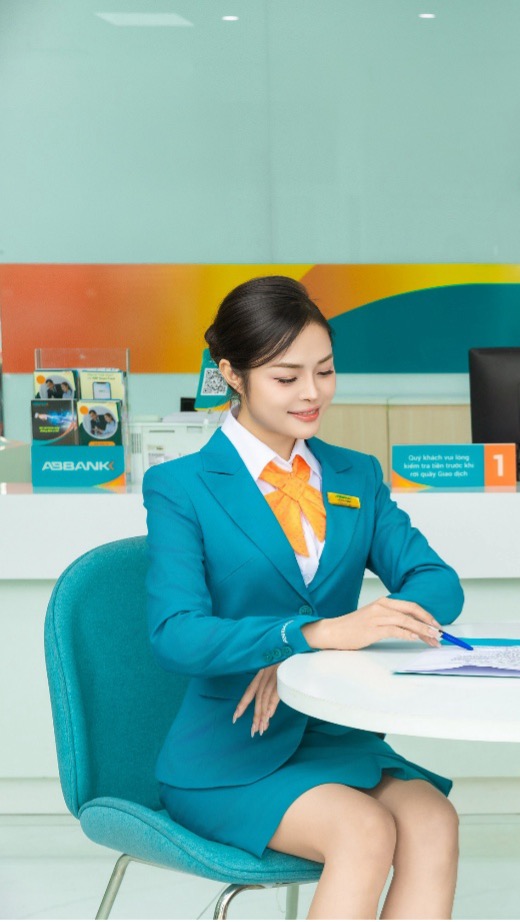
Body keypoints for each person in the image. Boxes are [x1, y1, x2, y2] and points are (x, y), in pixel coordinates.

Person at [143, 276, 464, 919]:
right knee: (363, 830)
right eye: (287, 377)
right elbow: (175, 633)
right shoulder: (181, 486)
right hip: (229, 751)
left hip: (333, 733)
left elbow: (437, 583)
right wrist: (299, 638)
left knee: (434, 820)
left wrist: (320, 649)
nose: (312, 393)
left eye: (325, 370)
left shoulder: (355, 474)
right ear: (232, 374)